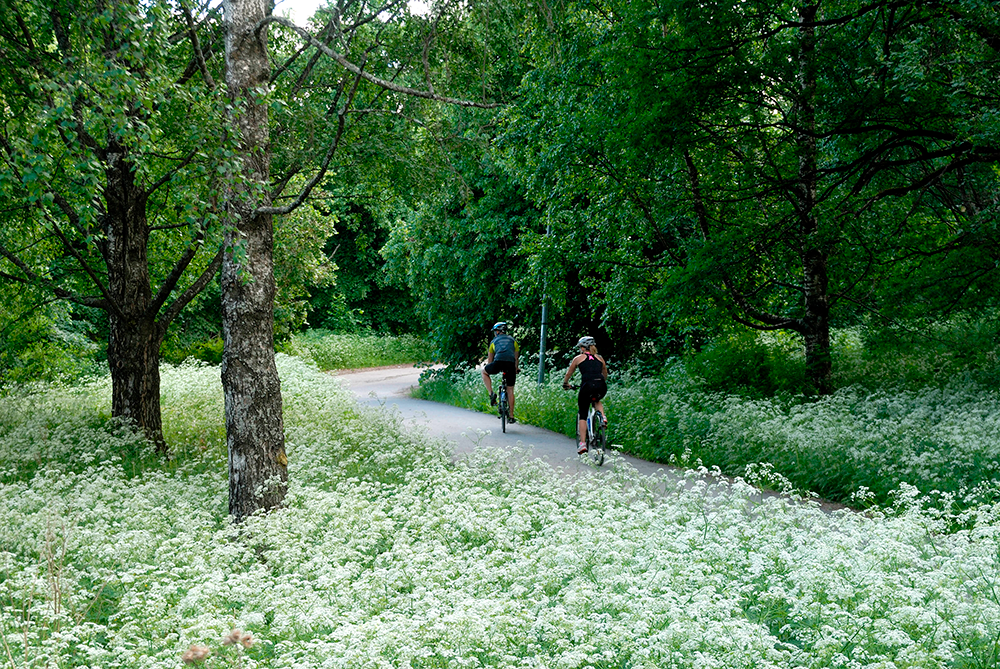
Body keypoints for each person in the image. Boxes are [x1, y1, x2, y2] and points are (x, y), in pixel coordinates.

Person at [561, 336, 608, 454]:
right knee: (597, 400)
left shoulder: (578, 358)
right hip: (601, 386)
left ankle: (582, 443)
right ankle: (603, 417)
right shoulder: (600, 358)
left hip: (587, 387)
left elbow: (569, 373)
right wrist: (600, 382)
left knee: (583, 413)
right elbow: (605, 373)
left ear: (582, 348)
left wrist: (565, 383)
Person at [482, 321, 520, 423]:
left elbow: (490, 360)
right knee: (510, 390)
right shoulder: (513, 341)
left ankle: (491, 393)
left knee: (484, 372)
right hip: (510, 364)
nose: (495, 333)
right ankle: (511, 416)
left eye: (495, 331)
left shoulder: (493, 342)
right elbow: (516, 358)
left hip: (498, 363)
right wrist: (516, 368)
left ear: (498, 331)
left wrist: (492, 367)